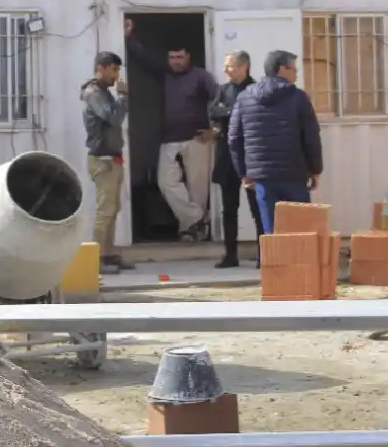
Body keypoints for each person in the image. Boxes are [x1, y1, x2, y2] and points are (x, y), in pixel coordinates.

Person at [123, 18, 218, 242]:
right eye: (172, 58)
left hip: (197, 138)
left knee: (198, 189)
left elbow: (218, 102)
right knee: (165, 182)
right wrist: (129, 37)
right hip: (169, 138)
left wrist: (214, 129)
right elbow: (144, 59)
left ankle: (191, 230)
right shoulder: (165, 74)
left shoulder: (202, 77)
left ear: (188, 57)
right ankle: (198, 218)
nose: (175, 62)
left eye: (180, 57)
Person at [227, 49, 323, 235]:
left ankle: (275, 264)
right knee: (301, 231)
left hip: (263, 177)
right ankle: (299, 264)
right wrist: (316, 169)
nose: (296, 74)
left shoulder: (245, 97)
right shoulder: (299, 98)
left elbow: (234, 138)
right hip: (294, 173)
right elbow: (311, 136)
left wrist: (244, 173)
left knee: (272, 232)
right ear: (281, 69)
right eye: (294, 69)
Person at [208, 49, 264, 268]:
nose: (225, 69)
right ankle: (230, 255)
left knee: (257, 208)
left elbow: (255, 115)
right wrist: (235, 111)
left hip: (251, 156)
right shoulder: (223, 90)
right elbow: (212, 112)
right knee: (228, 210)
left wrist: (229, 111)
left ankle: (263, 254)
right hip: (226, 156)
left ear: (244, 67)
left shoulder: (256, 90)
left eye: (230, 65)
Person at [81, 51, 134, 274]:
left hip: (112, 158)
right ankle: (96, 260)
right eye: (114, 70)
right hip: (102, 160)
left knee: (113, 208)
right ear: (101, 68)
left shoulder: (103, 91)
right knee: (105, 211)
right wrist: (123, 97)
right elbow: (113, 117)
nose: (116, 75)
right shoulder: (93, 93)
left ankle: (108, 253)